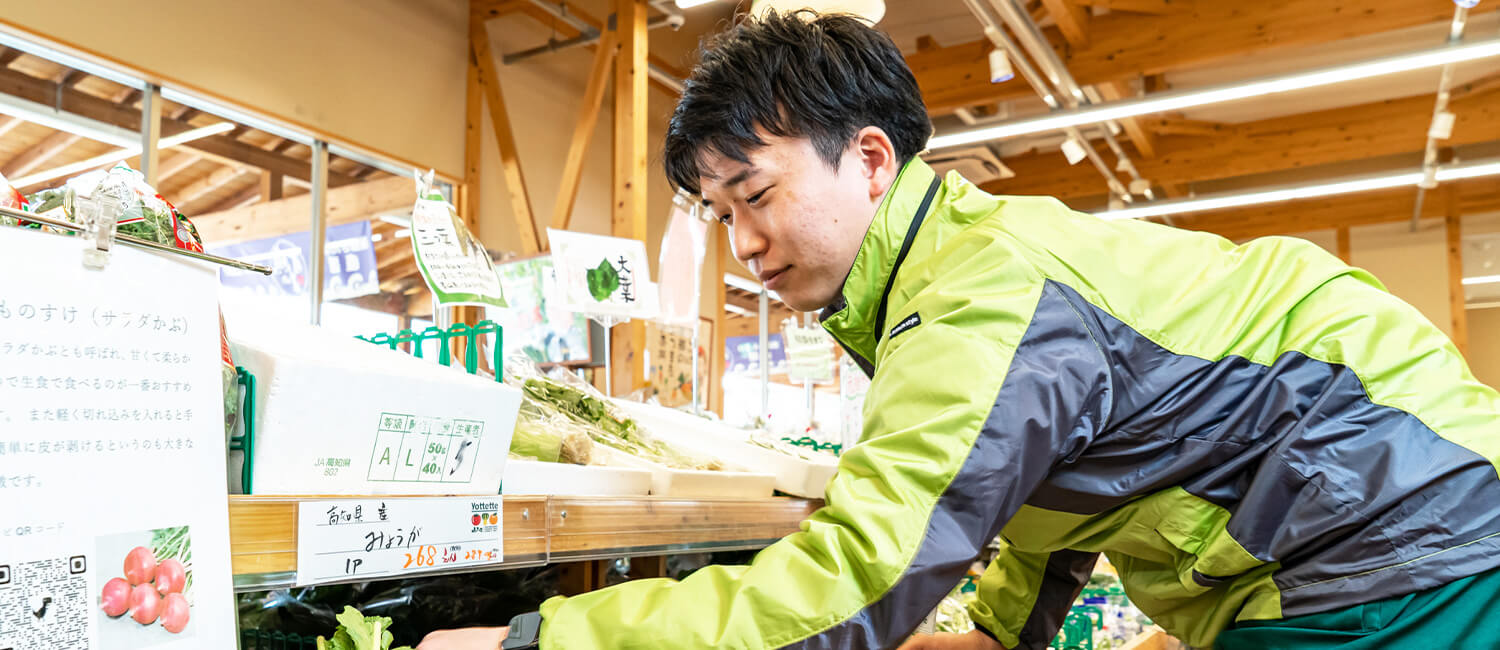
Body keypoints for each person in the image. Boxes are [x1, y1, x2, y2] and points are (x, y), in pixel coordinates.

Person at [419, 10, 1500, 650]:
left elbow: (862, 574)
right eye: (719, 213)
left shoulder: (979, 294)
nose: (741, 242)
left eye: (755, 194)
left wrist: (538, 637)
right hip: (1379, 513)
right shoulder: (946, 273)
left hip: (1390, 536)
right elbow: (1054, 473)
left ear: (870, 160)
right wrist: (1002, 628)